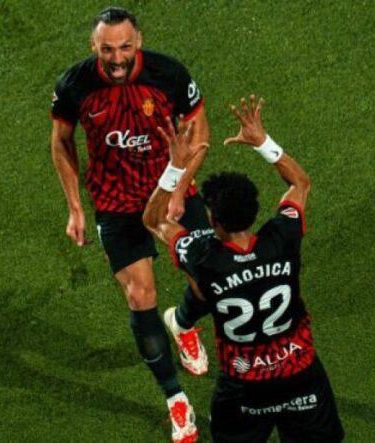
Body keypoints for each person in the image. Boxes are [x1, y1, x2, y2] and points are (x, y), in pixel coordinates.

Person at [49, 6, 210, 443]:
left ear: (138, 41)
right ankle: (175, 398)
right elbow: (61, 141)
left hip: (171, 189)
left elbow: (199, 131)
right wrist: (75, 207)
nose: (116, 58)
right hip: (116, 203)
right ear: (93, 46)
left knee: (207, 282)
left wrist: (179, 189)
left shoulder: (168, 74)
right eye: (107, 49)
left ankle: (183, 322)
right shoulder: (74, 85)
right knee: (140, 296)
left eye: (124, 47)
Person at [143, 95, 345, 442]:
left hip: (244, 389)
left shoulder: (203, 256)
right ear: (254, 212)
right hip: (301, 377)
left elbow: (154, 219)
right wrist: (262, 141)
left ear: (213, 221)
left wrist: (175, 168)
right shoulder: (282, 236)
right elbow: (300, 183)